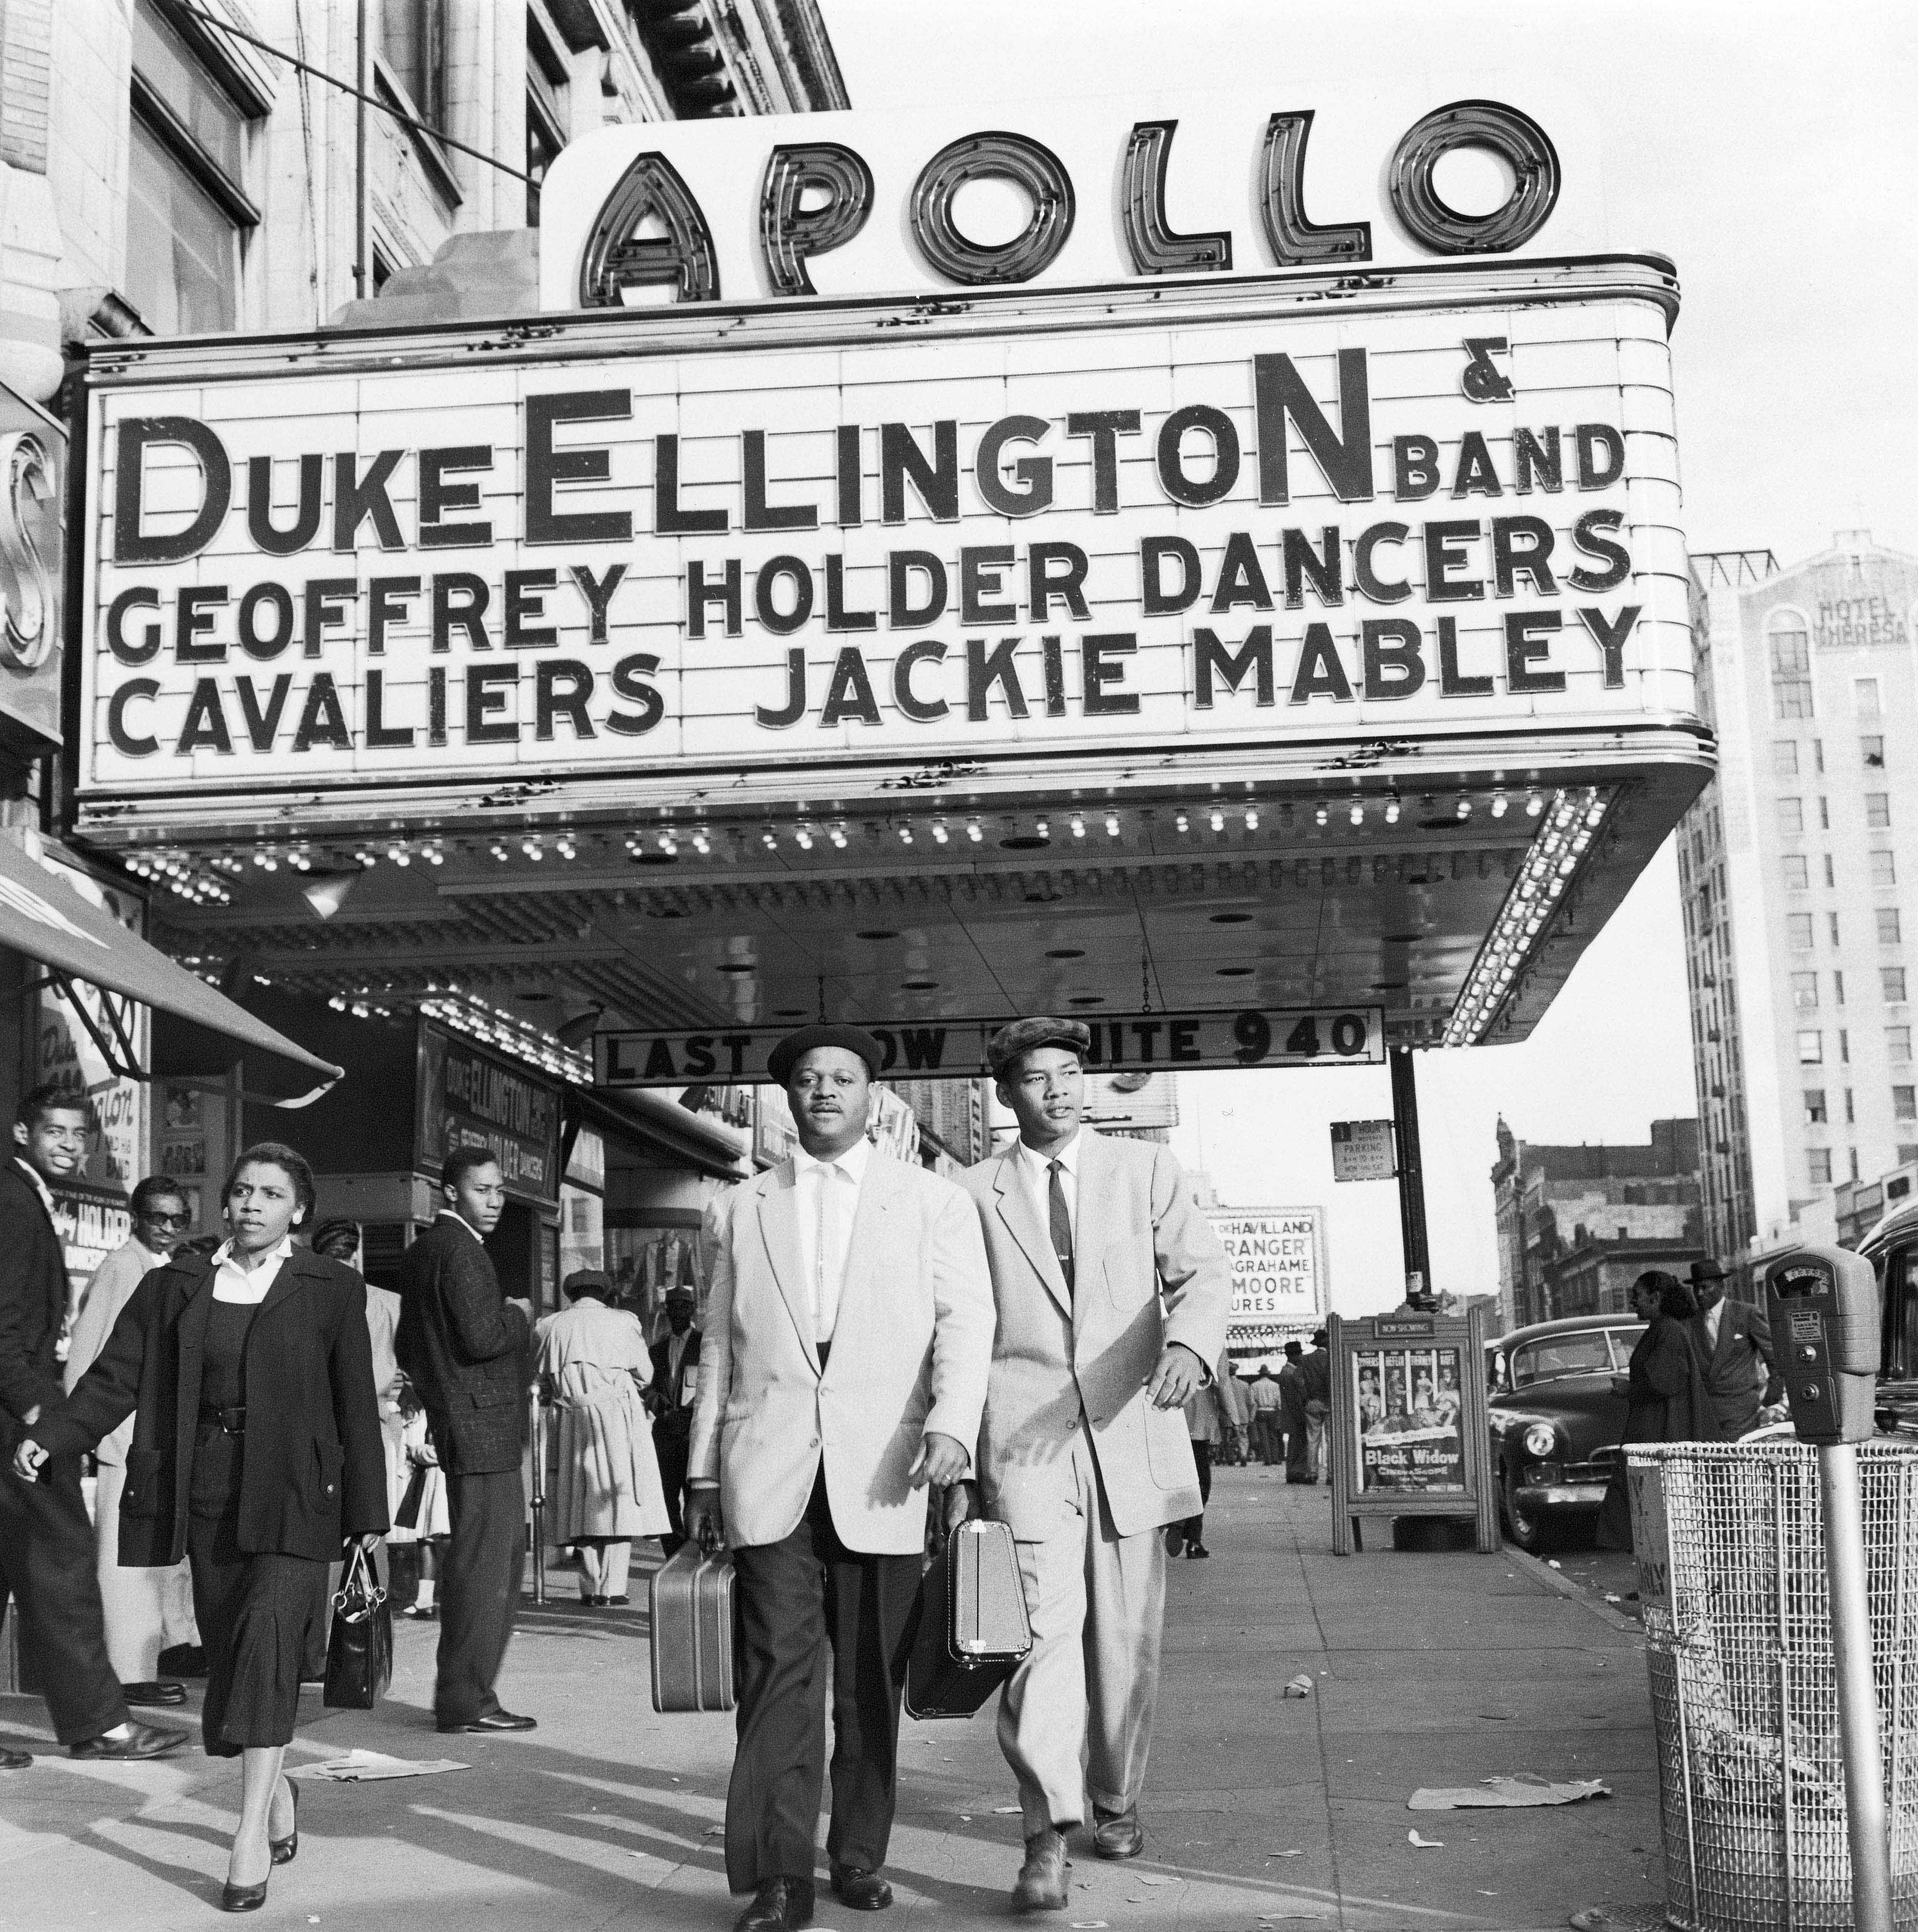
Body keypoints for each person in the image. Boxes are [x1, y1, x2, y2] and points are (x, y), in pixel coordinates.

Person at [14, 1141, 388, 1911]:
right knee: (231, 1653)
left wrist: (368, 1518)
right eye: (243, 1191)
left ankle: (247, 1832)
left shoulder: (329, 1288)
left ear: (299, 1211)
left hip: (295, 1496)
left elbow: (354, 1403)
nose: (252, 1204)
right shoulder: (176, 1283)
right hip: (209, 1496)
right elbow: (115, 1376)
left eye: (271, 1195)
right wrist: (53, 1434)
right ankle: (276, 1783)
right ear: (225, 1202)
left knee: (269, 1646)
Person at [688, 1024, 994, 1930]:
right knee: (776, 1675)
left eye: (842, 1078)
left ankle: (855, 1854)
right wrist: (704, 1468)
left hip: (886, 1470)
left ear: (872, 1098)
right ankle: (780, 1876)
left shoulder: (928, 1201)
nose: (823, 1090)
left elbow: (964, 1321)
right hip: (768, 1461)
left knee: (868, 1678)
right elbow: (715, 1346)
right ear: (787, 1099)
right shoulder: (742, 1207)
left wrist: (951, 1430)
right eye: (809, 1079)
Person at [958, 1017, 1230, 1912]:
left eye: (1070, 1073)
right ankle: (1044, 1834)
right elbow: (954, 1324)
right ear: (1006, 1095)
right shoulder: (969, 1192)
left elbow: (1199, 1276)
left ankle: (1115, 1795)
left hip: (1131, 1429)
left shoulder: (1144, 1172)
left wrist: (1189, 1346)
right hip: (1022, 1436)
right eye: (1035, 1079)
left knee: (1123, 1639)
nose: (1058, 1090)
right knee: (1039, 1637)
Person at [0, 1084, 187, 1767]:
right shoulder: (15, 1204)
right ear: (23, 1133)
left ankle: (96, 1720)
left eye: (80, 1135)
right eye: (55, 1132)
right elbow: (4, 1327)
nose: (70, 1146)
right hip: (18, 1419)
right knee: (63, 1563)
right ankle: (100, 1725)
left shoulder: (23, 1198)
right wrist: (39, 1414)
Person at [395, 1147, 536, 1735]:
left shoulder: (425, 1250)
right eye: (482, 1189)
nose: (496, 1199)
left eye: (499, 1189)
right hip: (486, 1429)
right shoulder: (464, 1252)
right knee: (490, 1565)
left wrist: (439, 1395)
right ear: (452, 1192)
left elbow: (408, 1344)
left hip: (460, 1421)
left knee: (481, 1558)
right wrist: (519, 1313)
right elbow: (482, 1336)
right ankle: (468, 1698)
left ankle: (465, 1693)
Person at [64, 1175, 200, 1707]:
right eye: (157, 1218)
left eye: (177, 1219)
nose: (167, 1229)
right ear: (135, 1218)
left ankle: (145, 1663)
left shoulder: (161, 1271)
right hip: (121, 1437)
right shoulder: (122, 1267)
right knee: (122, 1565)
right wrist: (82, 1429)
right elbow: (87, 1353)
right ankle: (125, 1674)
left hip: (151, 1440)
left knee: (150, 1564)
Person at [537, 1268, 669, 1605]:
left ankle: (591, 1585)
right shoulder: (624, 1322)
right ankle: (612, 1588)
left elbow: (540, 1378)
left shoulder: (550, 1326)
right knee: (618, 1500)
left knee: (578, 1502)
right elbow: (646, 1374)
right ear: (604, 1293)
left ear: (570, 1294)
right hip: (616, 1420)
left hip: (570, 1421)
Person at [1595, 1272, 1724, 1551]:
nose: (1633, 1302)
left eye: (1637, 1296)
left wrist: (1628, 1389)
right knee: (1653, 1506)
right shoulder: (1665, 1329)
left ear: (1655, 1297)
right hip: (1657, 1426)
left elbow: (1664, 1382)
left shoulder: (1668, 1331)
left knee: (1658, 1504)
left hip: (1664, 1430)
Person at [1687, 1260, 1783, 1439]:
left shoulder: (1746, 1314)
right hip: (1707, 1412)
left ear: (1721, 1286)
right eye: (1696, 1289)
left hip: (1743, 1411)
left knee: (1737, 1460)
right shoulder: (1692, 1323)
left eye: (1705, 1287)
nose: (1700, 1293)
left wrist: (1771, 1398)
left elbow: (1775, 1356)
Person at [648, 1284, 701, 1554]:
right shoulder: (656, 1351)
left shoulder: (704, 1346)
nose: (677, 1313)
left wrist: (691, 1415)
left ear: (691, 1309)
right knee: (666, 1499)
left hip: (693, 1433)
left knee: (695, 1496)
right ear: (666, 1311)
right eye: (672, 1308)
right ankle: (676, 1554)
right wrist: (661, 1407)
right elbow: (646, 1386)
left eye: (683, 1307)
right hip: (666, 1435)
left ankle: (696, 1552)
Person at [1301, 1329, 1332, 1481]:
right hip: (1330, 1402)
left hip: (1312, 1402)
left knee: (1313, 1439)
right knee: (1331, 1439)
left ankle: (1312, 1473)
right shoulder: (1332, 1358)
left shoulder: (1306, 1359)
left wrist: (1306, 1396)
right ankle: (1332, 1474)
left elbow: (1298, 1380)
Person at [1278, 1341, 1311, 1483]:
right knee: (1299, 1445)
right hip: (1296, 1414)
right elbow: (1295, 1398)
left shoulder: (1286, 1372)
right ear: (1294, 1356)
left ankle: (1293, 1472)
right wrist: (1302, 1414)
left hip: (1291, 1414)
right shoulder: (1290, 1373)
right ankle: (1296, 1472)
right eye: (1300, 1354)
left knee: (1294, 1445)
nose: (1302, 1357)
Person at [1245, 1367, 1283, 1465]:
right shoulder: (1275, 1385)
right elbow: (1279, 1401)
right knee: (1273, 1435)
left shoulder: (1254, 1386)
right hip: (1273, 1411)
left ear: (1260, 1374)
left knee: (1264, 1436)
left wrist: (1252, 1416)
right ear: (1268, 1374)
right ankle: (1276, 1458)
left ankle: (1268, 1459)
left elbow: (1251, 1402)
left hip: (1261, 1411)